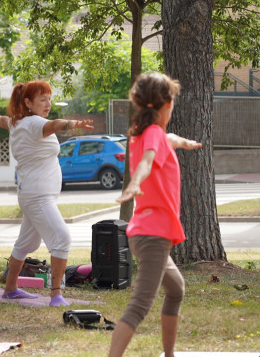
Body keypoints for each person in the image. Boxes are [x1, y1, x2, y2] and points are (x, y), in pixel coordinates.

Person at [108, 73, 202, 357]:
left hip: (145, 232)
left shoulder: (145, 133)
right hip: (153, 235)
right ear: (165, 105)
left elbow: (166, 139)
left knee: (176, 290)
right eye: (172, 102)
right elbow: (148, 161)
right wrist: (135, 183)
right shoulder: (150, 136)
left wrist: (183, 142)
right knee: (139, 306)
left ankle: (169, 355)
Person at [0, 81, 94, 307]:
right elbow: (55, 125)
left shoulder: (16, 122)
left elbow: (1, 120)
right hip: (38, 196)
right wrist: (73, 123)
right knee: (62, 238)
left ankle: (10, 290)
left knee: (25, 244)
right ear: (28, 103)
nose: (47, 104)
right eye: (42, 100)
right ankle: (56, 294)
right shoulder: (35, 122)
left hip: (32, 193)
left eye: (49, 99)